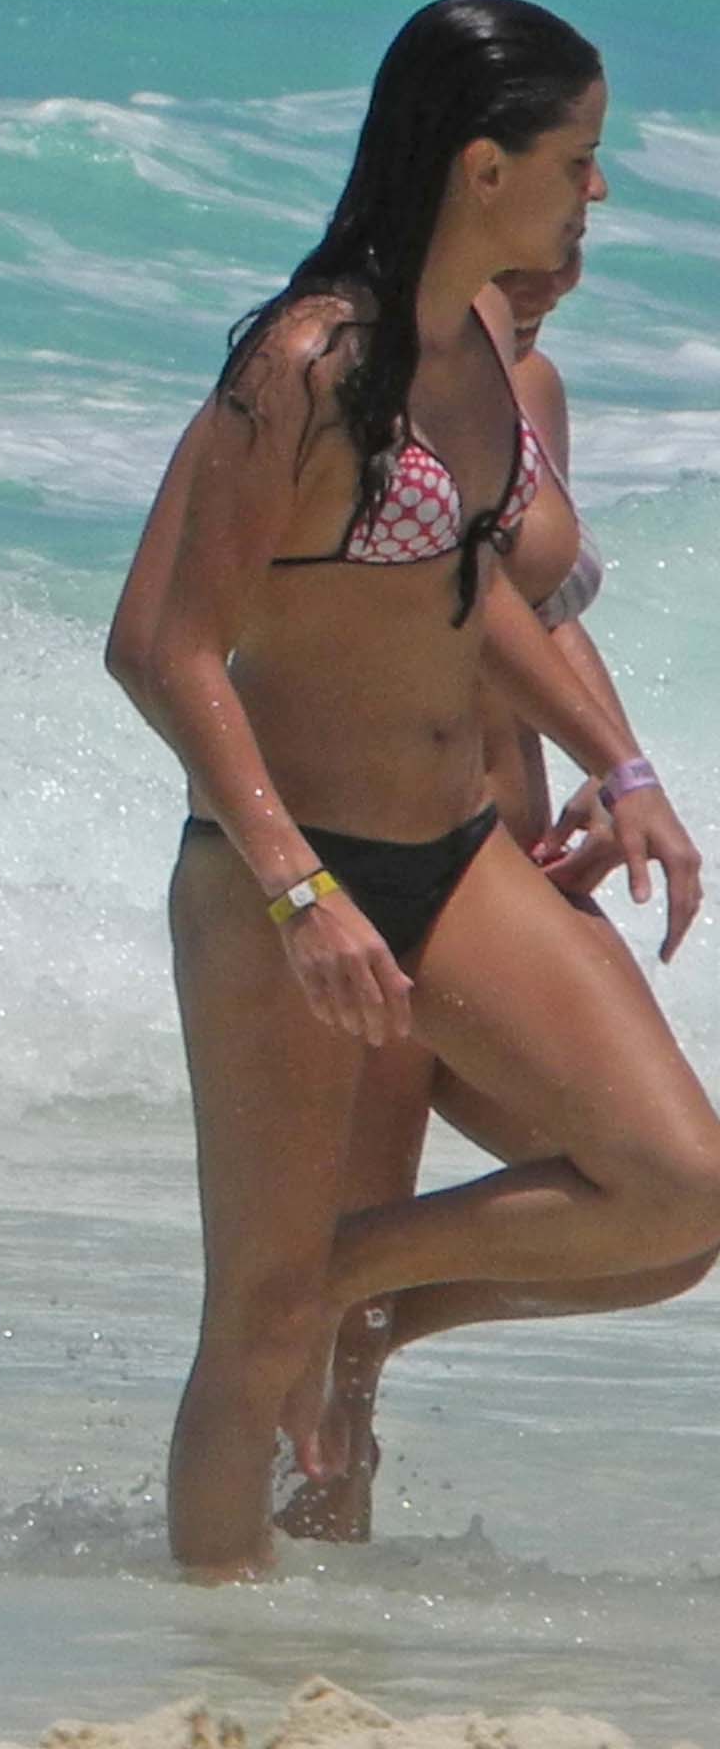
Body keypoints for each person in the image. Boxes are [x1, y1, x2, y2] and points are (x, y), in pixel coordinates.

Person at [106, 0, 720, 1578]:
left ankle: (348, 1279)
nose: (597, 194)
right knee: (248, 1340)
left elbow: (469, 596)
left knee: (674, 1191)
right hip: (283, 886)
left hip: (452, 861)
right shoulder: (309, 361)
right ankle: (225, 1661)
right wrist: (298, 889)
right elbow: (160, 648)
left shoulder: (473, 362)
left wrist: (620, 761)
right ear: (481, 166)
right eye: (578, 160)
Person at [278, 242, 714, 1539]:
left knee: (667, 1230)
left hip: (513, 873)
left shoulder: (534, 385)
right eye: (562, 196)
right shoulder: (377, 373)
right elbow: (426, 608)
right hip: (399, 870)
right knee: (328, 1371)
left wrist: (613, 765)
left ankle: (346, 1329)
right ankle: (243, 1627)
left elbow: (536, 612)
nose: (578, 249)